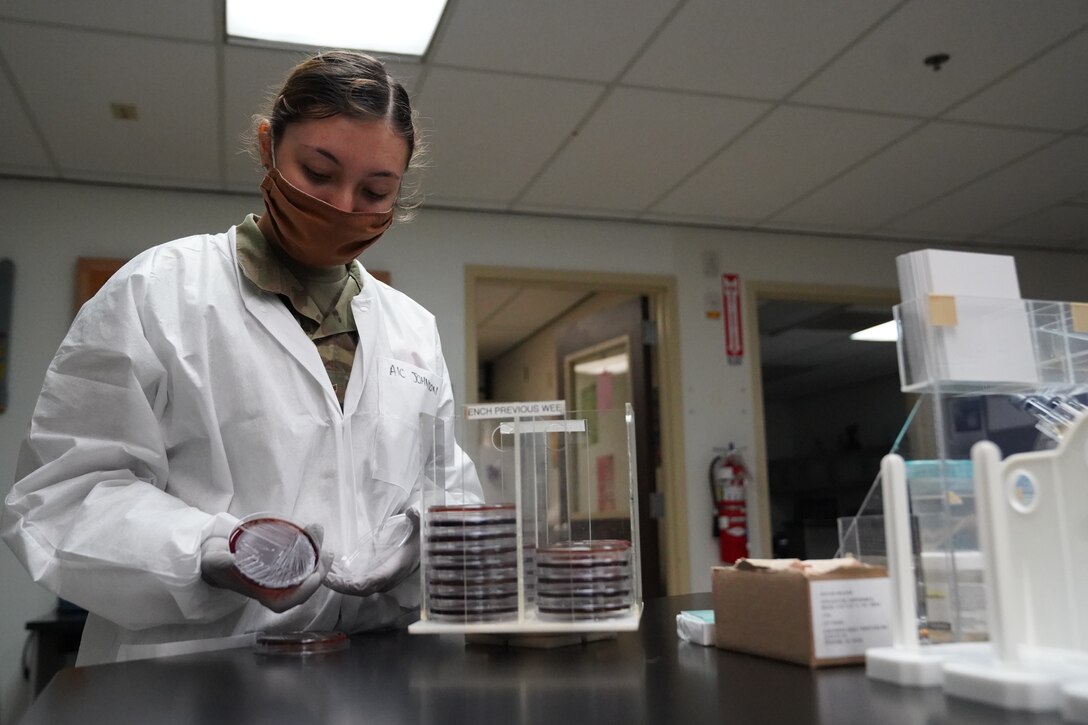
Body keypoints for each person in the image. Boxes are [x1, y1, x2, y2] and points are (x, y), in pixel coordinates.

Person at [2, 51, 481, 665]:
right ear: (268, 146)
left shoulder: (412, 330)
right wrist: (205, 550)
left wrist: (421, 532)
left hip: (370, 666)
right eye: (318, 172)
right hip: (191, 668)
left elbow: (451, 488)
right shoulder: (160, 290)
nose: (342, 204)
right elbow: (66, 493)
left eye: (374, 190)